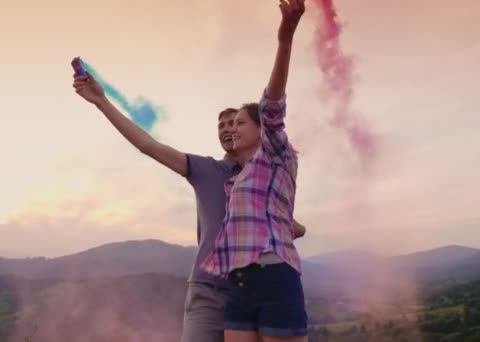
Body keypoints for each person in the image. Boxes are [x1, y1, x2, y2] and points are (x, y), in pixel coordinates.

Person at [72, 70, 306, 341]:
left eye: (236, 122)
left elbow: (290, 226)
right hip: (209, 292)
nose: (229, 128)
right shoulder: (205, 170)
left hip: (254, 287)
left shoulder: (265, 177)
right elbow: (148, 145)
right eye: (222, 125)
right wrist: (102, 102)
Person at [200, 1, 308, 341]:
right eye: (229, 124)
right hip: (240, 284)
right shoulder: (236, 178)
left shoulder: (275, 155)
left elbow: (272, 105)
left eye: (240, 122)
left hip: (275, 278)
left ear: (263, 129)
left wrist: (285, 41)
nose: (232, 128)